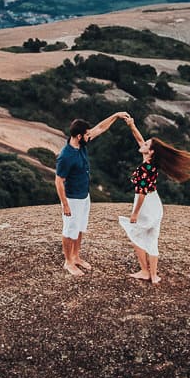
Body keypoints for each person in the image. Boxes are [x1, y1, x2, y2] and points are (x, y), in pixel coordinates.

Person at [117, 113, 190, 285]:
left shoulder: (144, 168)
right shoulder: (151, 162)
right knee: (152, 236)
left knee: (135, 235)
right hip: (155, 202)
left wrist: (134, 213)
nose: (143, 143)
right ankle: (154, 275)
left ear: (151, 151)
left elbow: (141, 193)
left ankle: (144, 271)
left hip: (145, 203)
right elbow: (140, 140)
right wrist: (132, 125)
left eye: (147, 144)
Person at [55, 112, 126, 276]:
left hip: (84, 195)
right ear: (79, 136)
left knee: (80, 228)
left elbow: (100, 128)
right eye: (87, 134)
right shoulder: (65, 156)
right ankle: (68, 262)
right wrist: (65, 204)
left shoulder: (81, 144)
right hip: (72, 199)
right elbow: (59, 181)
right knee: (69, 230)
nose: (90, 135)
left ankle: (76, 256)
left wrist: (116, 116)